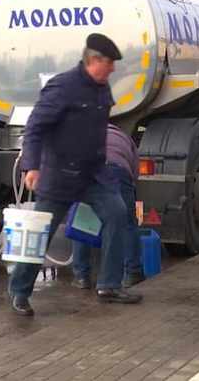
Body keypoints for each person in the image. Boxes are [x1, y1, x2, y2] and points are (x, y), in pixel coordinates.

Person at [10, 33, 142, 316]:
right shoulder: (62, 87)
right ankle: (20, 292)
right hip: (60, 175)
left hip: (94, 173)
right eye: (109, 63)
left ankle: (109, 285)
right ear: (93, 61)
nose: (113, 69)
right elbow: (35, 127)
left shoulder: (102, 88)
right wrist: (31, 165)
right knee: (40, 234)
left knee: (118, 213)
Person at [72, 123, 145, 289]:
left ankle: (81, 276)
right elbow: (134, 172)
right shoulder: (125, 138)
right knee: (127, 224)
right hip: (118, 171)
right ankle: (133, 272)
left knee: (83, 221)